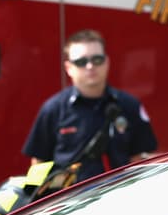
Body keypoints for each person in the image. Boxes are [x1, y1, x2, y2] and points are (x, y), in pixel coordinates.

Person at [22, 29, 156, 184]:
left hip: (120, 194)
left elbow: (140, 159)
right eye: (81, 62)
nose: (90, 66)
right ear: (69, 68)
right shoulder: (53, 109)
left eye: (97, 59)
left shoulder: (130, 105)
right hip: (72, 198)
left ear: (107, 62)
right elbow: (38, 164)